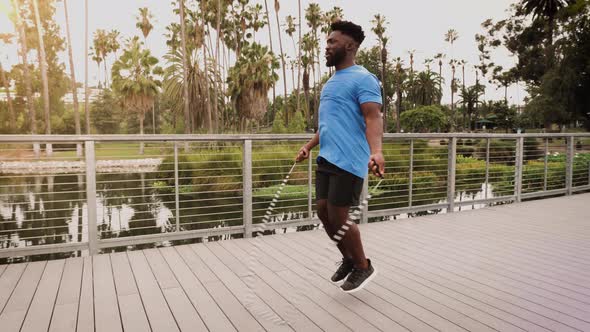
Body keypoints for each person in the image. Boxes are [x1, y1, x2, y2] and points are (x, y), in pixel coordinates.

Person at [295, 20, 385, 293]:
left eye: (332, 42)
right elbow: (328, 125)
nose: (327, 47)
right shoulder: (331, 83)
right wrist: (309, 146)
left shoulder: (364, 78)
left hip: (349, 159)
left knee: (339, 214)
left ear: (349, 45)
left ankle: (362, 265)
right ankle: (348, 258)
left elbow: (373, 117)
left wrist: (377, 152)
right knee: (324, 212)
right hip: (327, 157)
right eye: (327, 42)